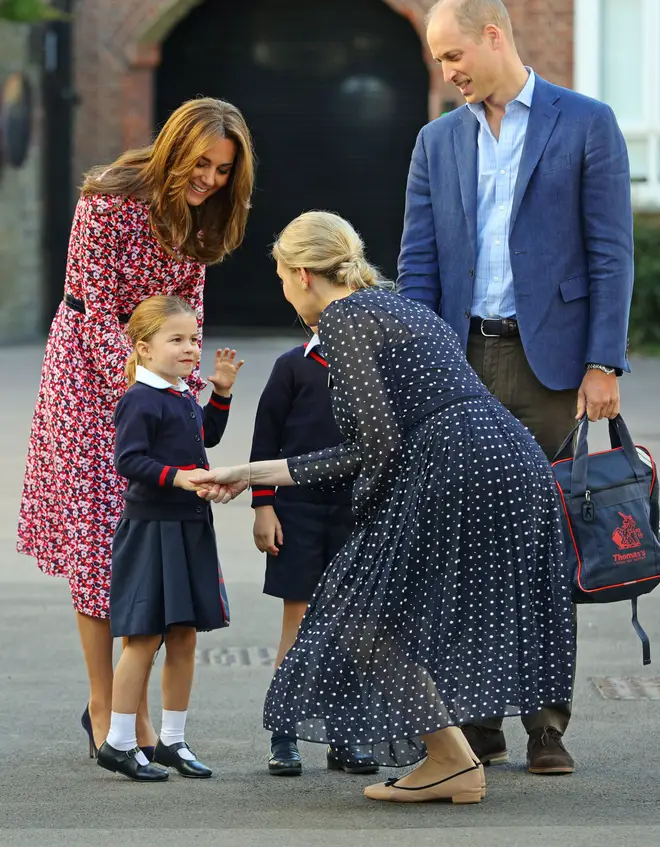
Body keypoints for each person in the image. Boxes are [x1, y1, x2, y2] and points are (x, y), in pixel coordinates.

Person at [190, 211, 574, 805]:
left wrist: (260, 476)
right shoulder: (399, 306)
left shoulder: (343, 321)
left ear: (302, 274)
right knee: (420, 612)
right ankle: (455, 757)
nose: (285, 292)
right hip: (509, 460)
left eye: (281, 279)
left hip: (454, 467)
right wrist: (250, 474)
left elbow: (375, 446)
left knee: (358, 613)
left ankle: (450, 759)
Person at [397, 0, 634, 774]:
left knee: (544, 543)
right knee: (462, 543)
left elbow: (609, 252)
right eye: (438, 62)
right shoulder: (437, 140)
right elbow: (418, 266)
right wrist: (415, 369)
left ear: (493, 36)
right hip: (460, 362)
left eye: (453, 55)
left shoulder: (584, 121)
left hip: (552, 371)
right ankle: (477, 720)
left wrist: (604, 363)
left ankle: (547, 724)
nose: (447, 72)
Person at [17, 97, 254, 756]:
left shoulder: (204, 218)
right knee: (100, 544)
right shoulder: (107, 202)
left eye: (223, 170)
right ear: (174, 147)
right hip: (90, 379)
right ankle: (107, 709)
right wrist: (142, 394)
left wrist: (182, 391)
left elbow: (189, 315)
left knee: (147, 542)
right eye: (201, 163)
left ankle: (133, 708)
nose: (209, 179)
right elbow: (95, 312)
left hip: (155, 379)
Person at [96, 295, 242, 782]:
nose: (189, 348)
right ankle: (118, 742)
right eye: (176, 339)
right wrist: (178, 479)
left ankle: (172, 742)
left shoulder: (180, 394)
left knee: (183, 636)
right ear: (143, 347)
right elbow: (129, 460)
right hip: (152, 529)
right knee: (143, 637)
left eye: (193, 339)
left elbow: (206, 436)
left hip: (189, 526)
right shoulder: (139, 398)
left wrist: (219, 393)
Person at [249, 329, 377, 777]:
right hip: (296, 507)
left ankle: (346, 736)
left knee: (352, 626)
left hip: (356, 509)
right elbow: (265, 437)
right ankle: (284, 735)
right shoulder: (292, 365)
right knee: (298, 622)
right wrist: (263, 505)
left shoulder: (374, 366)